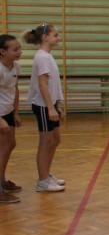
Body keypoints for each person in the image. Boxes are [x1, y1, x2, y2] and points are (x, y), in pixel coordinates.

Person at [24, 24, 66, 192]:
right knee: (45, 142)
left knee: (55, 139)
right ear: (45, 37)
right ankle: (42, 182)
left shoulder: (47, 56)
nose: (58, 38)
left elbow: (52, 84)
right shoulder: (41, 57)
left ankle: (46, 174)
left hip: (50, 104)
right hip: (42, 105)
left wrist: (56, 105)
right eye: (55, 35)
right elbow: (42, 85)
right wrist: (50, 108)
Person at [0, 35, 23, 203]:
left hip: (8, 112)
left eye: (19, 48)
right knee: (2, 149)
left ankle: (2, 180)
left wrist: (15, 113)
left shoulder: (15, 66)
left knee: (10, 145)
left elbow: (15, 90)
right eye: (15, 49)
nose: (19, 52)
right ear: (2, 52)